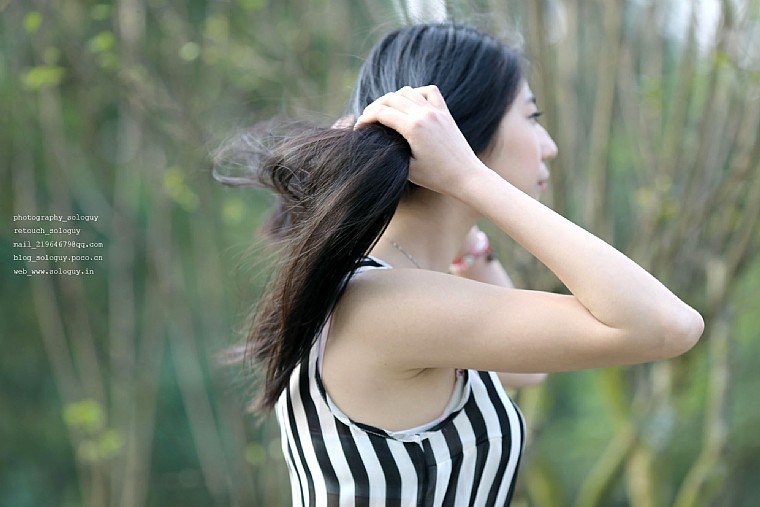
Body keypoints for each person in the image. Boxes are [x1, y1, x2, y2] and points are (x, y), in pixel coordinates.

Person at [215, 22, 704, 507]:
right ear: (461, 134)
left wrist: (462, 217)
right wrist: (472, 178)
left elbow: (528, 372)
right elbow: (668, 325)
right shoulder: (385, 305)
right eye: (532, 117)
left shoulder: (389, 288)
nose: (549, 145)